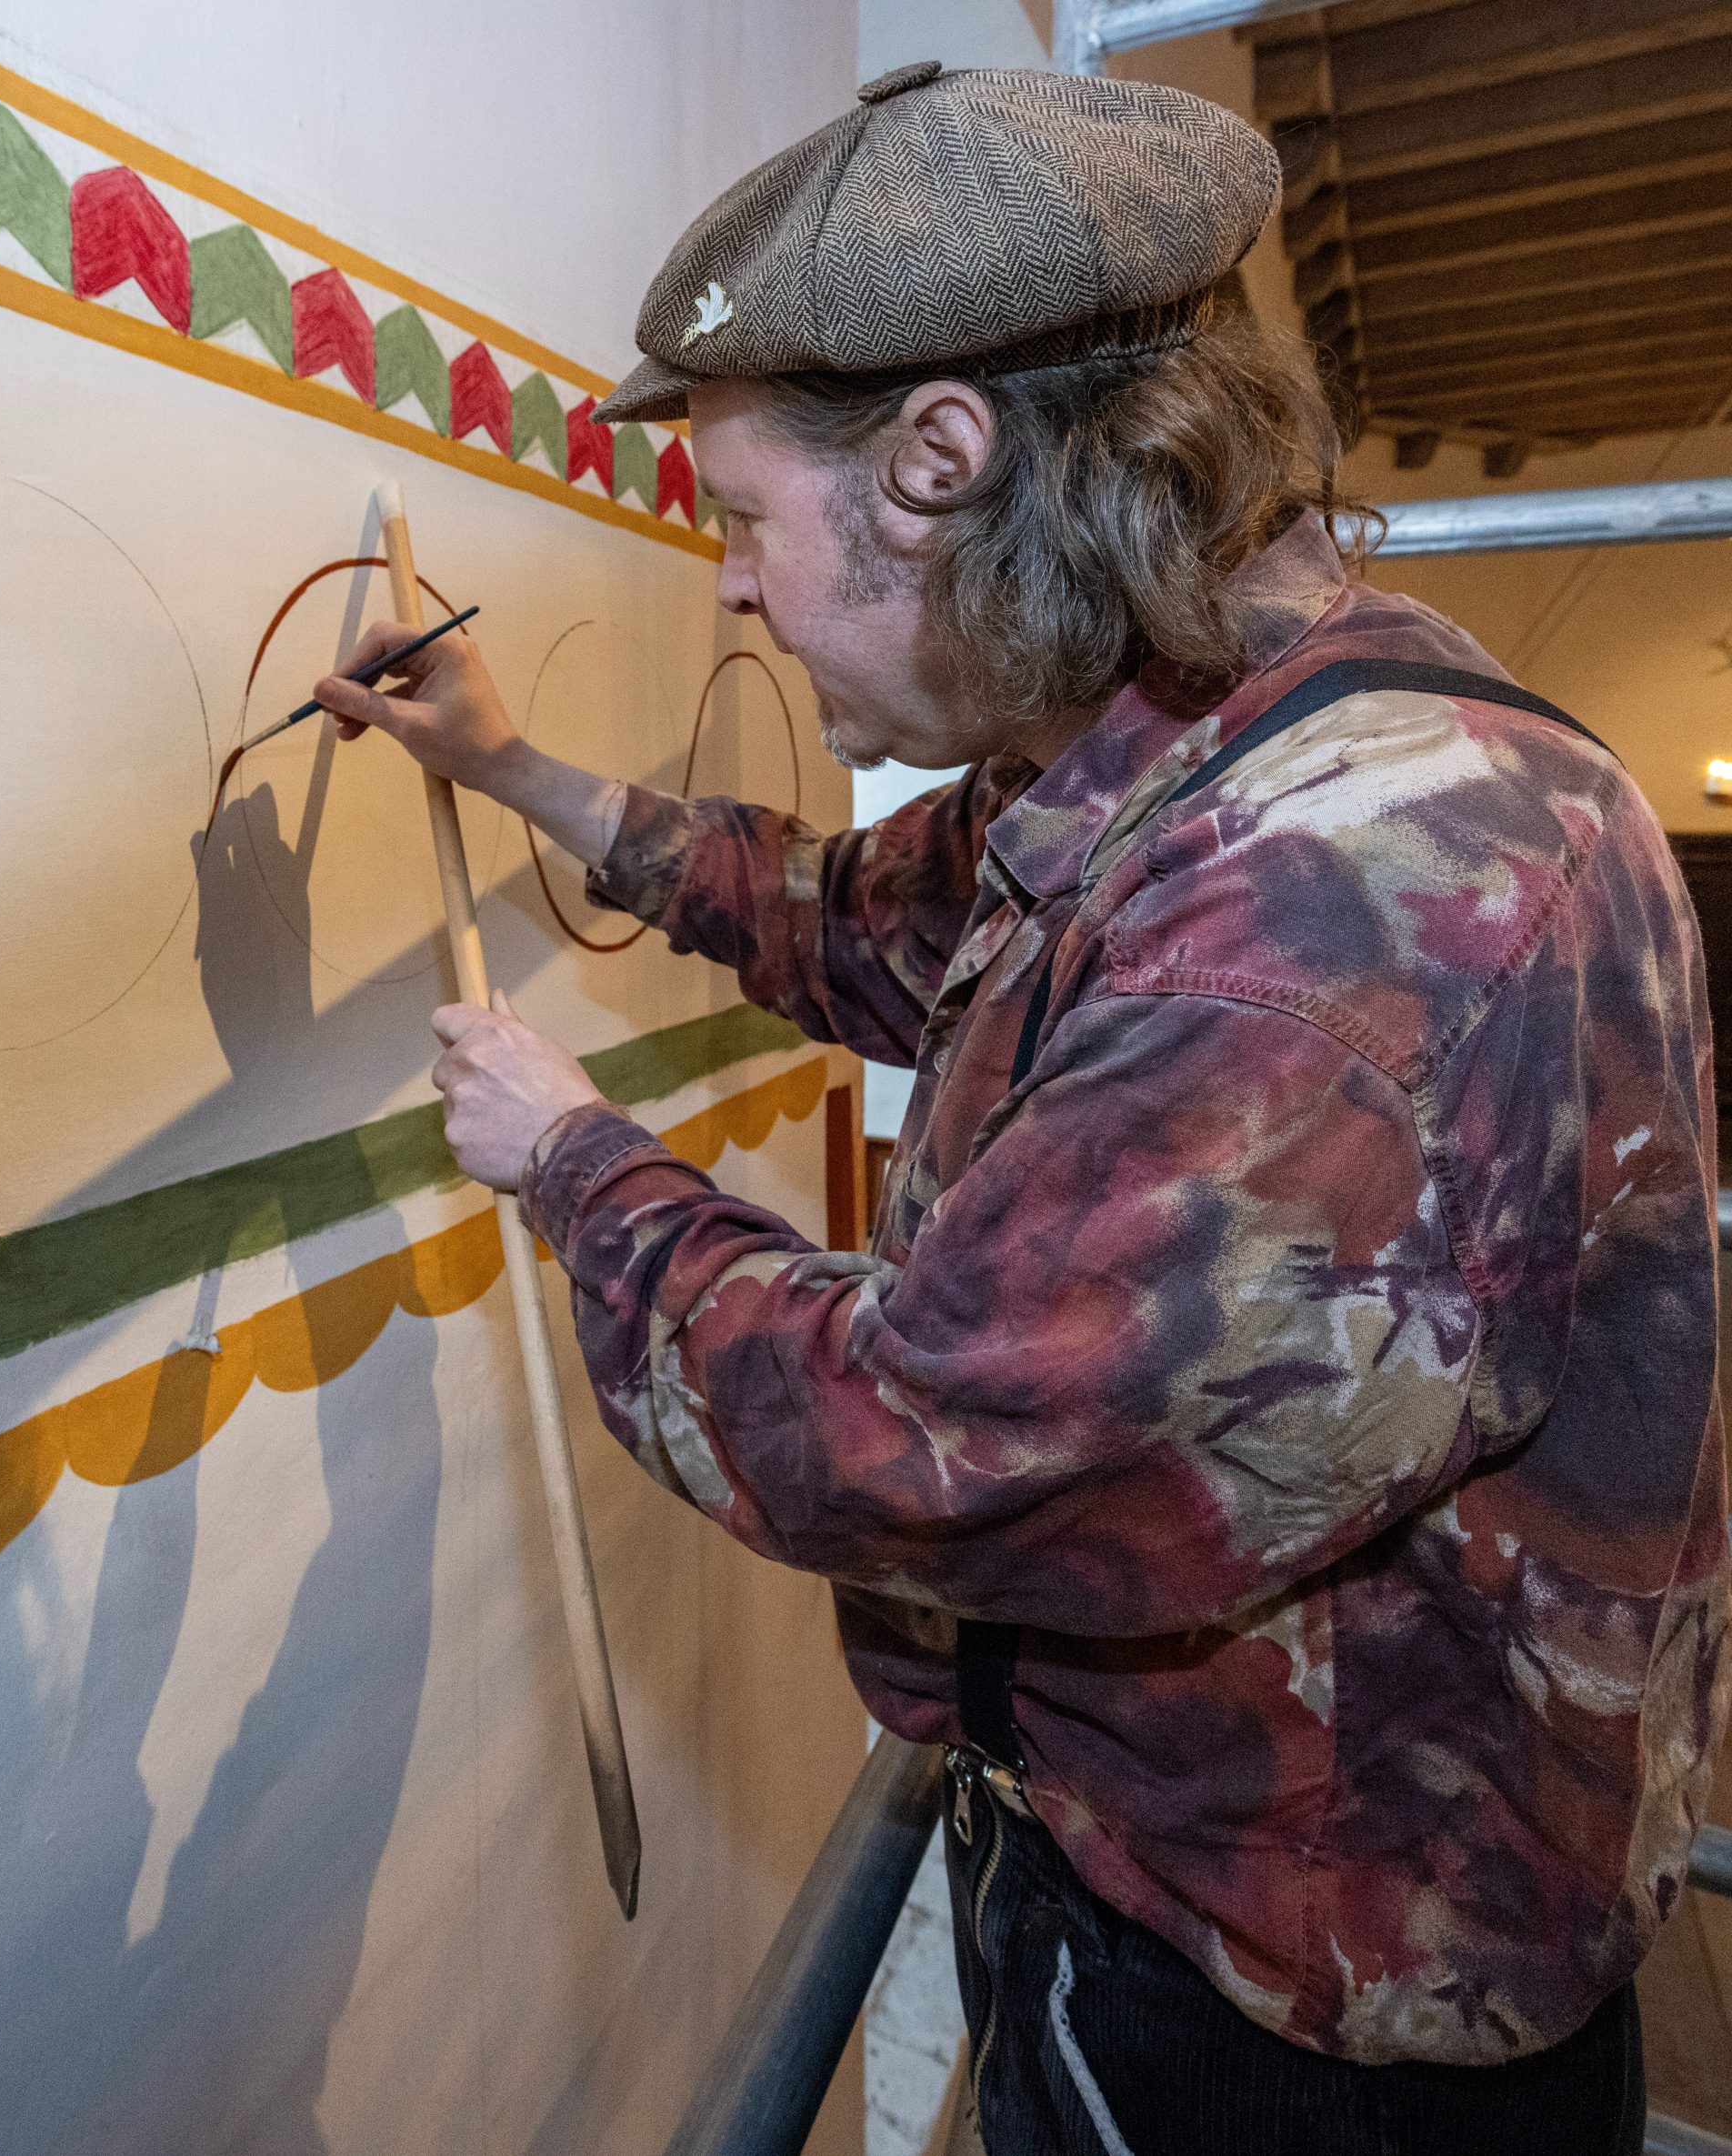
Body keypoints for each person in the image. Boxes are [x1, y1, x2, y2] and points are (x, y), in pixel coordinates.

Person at [313, 63, 1726, 2156]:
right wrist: (518, 774)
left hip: (1292, 2041)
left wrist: (577, 1163)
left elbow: (912, 1444)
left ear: (939, 463)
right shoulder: (1215, 741)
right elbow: (856, 923)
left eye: (739, 522)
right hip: (1191, 1914)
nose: (724, 591)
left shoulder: (1314, 912)